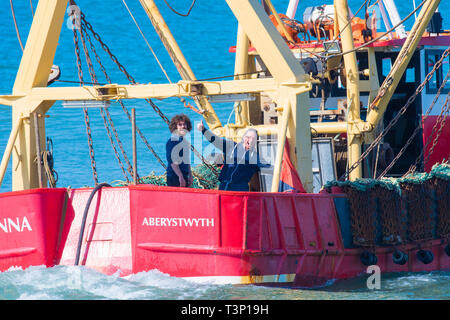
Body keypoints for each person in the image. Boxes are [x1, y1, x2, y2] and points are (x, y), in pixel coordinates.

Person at [197, 120, 269, 191]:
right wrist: (204, 130)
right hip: (224, 186)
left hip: (240, 190)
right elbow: (216, 141)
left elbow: (268, 167)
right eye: (248, 137)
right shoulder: (231, 146)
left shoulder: (255, 157)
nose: (249, 140)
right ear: (243, 137)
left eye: (253, 139)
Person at [166, 114, 193, 187]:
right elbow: (173, 162)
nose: (183, 127)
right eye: (180, 125)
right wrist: (180, 177)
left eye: (184, 124)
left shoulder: (184, 141)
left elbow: (187, 160)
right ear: (175, 127)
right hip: (175, 177)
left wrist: (190, 175)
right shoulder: (173, 141)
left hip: (185, 176)